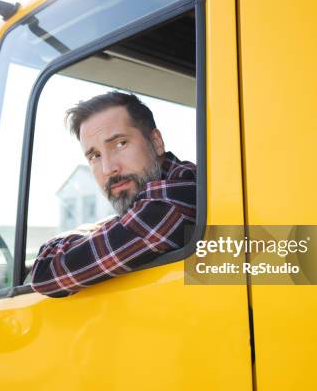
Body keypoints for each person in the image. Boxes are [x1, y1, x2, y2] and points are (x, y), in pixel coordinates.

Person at [31, 91, 196, 297]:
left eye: (120, 144)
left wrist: (89, 230)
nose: (109, 168)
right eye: (95, 156)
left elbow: (47, 272)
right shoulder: (160, 195)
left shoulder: (175, 199)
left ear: (156, 142)